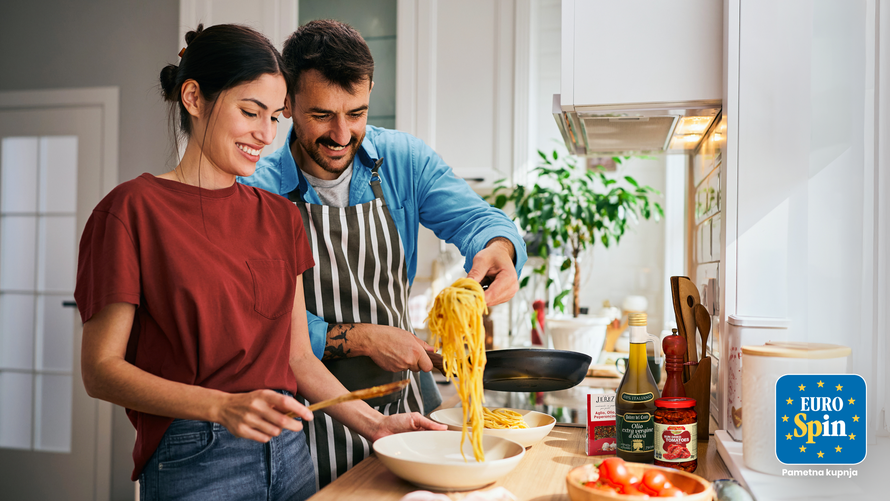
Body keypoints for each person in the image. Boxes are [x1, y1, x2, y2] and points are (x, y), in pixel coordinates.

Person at [75, 24, 443, 501]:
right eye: (250, 112)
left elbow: (296, 358)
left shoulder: (278, 216)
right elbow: (100, 369)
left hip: (291, 454)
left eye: (275, 117)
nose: (266, 135)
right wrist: (222, 407)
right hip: (195, 460)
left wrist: (376, 425)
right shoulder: (131, 211)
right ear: (193, 97)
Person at [238, 19, 527, 488]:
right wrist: (361, 338)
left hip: (402, 408)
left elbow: (479, 221)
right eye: (321, 115)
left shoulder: (403, 160)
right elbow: (256, 320)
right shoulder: (256, 184)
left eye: (356, 113)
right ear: (287, 102)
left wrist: (500, 249)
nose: (340, 133)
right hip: (303, 418)